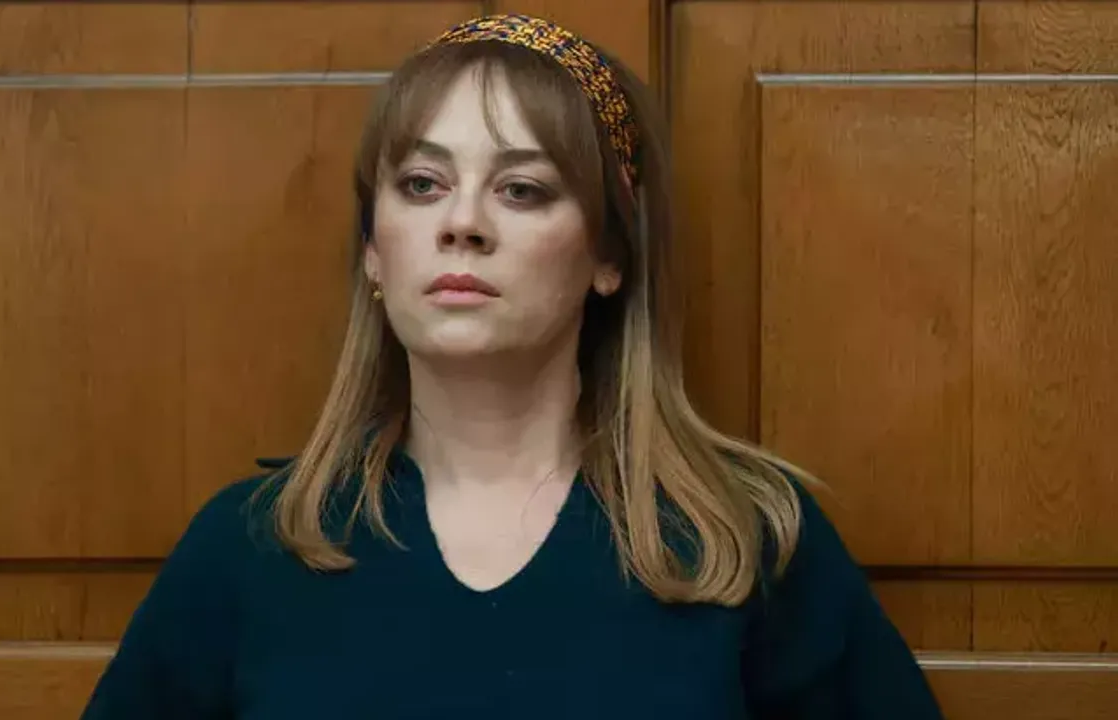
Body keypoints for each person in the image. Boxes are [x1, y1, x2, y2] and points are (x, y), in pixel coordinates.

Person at [81, 13, 945, 719]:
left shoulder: (749, 539)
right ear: (374, 250)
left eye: (521, 189)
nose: (462, 223)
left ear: (609, 254)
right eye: (422, 184)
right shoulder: (249, 548)